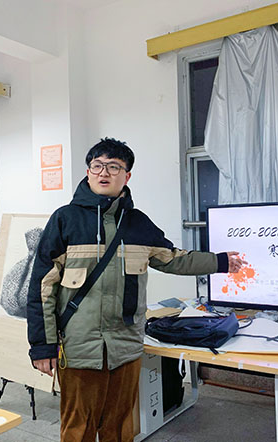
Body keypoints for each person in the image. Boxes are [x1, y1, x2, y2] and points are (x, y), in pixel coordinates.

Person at [27, 137, 245, 442]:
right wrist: (42, 345)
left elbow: (174, 259)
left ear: (127, 176)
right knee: (78, 429)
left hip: (125, 346)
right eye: (97, 166)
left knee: (119, 427)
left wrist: (220, 262)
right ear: (88, 172)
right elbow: (42, 286)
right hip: (78, 347)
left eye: (114, 167)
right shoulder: (65, 219)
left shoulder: (138, 224)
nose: (104, 173)